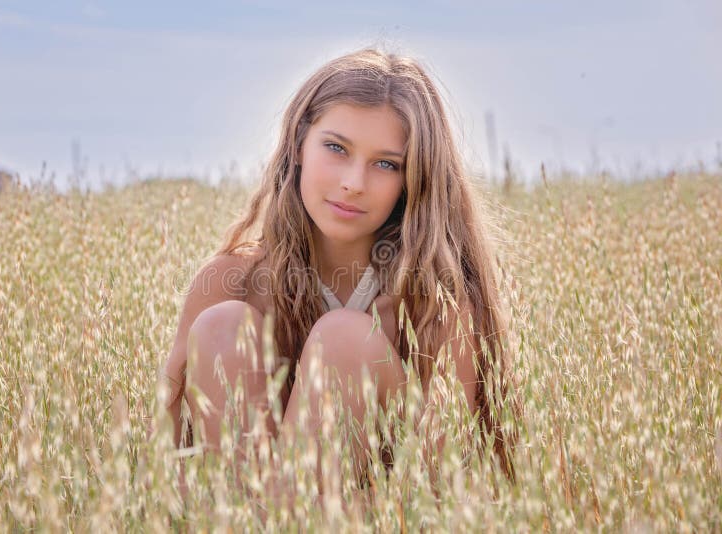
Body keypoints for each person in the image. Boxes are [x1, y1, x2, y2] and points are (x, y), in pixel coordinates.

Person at [158, 46, 516, 508]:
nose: (353, 182)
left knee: (344, 338)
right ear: (298, 144)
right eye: (336, 148)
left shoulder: (434, 303)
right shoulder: (232, 279)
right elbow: (158, 459)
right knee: (222, 325)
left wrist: (329, 508)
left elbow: (443, 489)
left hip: (377, 514)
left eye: (386, 164)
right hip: (243, 506)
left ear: (413, 180)